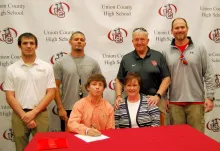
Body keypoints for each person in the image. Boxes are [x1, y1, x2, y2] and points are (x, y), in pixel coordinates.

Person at [4, 32, 56, 151]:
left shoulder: (46, 67)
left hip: (40, 114)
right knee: (21, 148)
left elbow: (51, 93)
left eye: (31, 43)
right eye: (25, 43)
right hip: (19, 115)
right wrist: (24, 115)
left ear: (36, 46)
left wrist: (33, 113)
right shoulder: (11, 69)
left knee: (43, 148)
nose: (28, 46)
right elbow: (9, 96)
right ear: (19, 46)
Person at [162, 18, 215, 132]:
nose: (180, 30)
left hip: (196, 102)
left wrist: (210, 97)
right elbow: (164, 78)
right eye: (176, 28)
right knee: (178, 142)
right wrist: (165, 98)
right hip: (175, 104)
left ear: (187, 29)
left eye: (182, 27)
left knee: (197, 143)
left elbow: (209, 73)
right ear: (172, 31)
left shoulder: (199, 49)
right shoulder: (166, 52)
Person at [53, 31, 102, 131]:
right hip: (68, 108)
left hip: (90, 108)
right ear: (70, 42)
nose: (79, 42)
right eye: (76, 39)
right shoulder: (60, 63)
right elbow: (55, 88)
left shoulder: (93, 63)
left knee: (90, 140)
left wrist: (99, 108)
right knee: (70, 141)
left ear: (85, 43)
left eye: (82, 40)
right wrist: (60, 108)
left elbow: (100, 86)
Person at [115, 27, 171, 110]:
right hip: (132, 102)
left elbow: (167, 78)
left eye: (142, 39)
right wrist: (119, 96)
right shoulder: (126, 58)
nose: (139, 42)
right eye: (136, 40)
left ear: (148, 41)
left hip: (155, 101)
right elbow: (119, 80)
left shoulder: (158, 56)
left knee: (159, 123)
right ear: (132, 41)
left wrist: (158, 96)